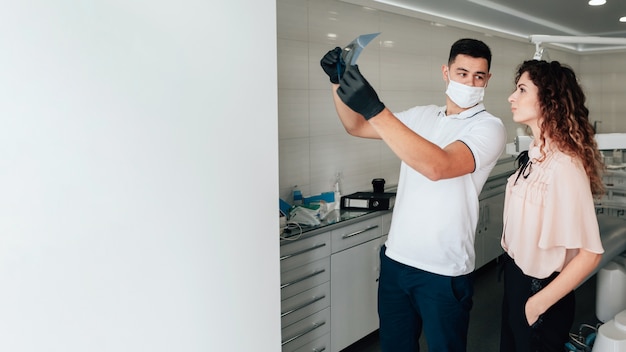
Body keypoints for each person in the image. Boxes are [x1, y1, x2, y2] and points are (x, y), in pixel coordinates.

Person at [320, 38, 507, 351]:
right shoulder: (422, 116)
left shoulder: (489, 127)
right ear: (446, 73)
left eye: (479, 76)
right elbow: (355, 125)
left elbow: (439, 166)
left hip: (443, 271)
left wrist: (375, 108)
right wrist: (337, 81)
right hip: (396, 262)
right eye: (462, 73)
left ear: (488, 80)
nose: (471, 82)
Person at [499, 60, 605, 352]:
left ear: (548, 99)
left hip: (541, 293)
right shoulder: (535, 156)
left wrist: (535, 305)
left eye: (521, 90)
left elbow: (591, 254)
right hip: (516, 280)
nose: (512, 97)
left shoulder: (565, 166)